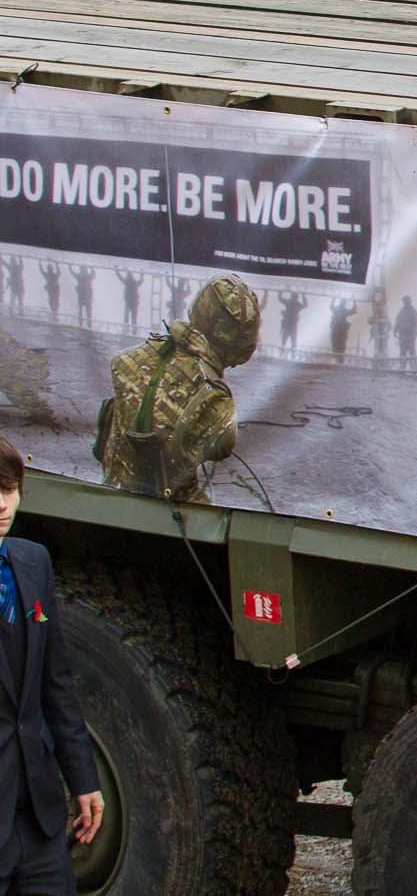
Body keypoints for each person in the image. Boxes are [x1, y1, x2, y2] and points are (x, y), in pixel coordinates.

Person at [0, 436, 106, 895]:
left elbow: (55, 683)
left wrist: (83, 779)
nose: (1, 505)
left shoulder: (32, 561)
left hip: (37, 816)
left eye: (7, 490)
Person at [95, 273, 260, 503]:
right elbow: (222, 448)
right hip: (170, 517)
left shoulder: (129, 359)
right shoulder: (216, 399)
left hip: (109, 499)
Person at [394, 293, 417, 361]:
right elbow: (397, 323)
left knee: (412, 355)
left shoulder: (413, 312)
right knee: (402, 356)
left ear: (410, 302)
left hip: (410, 337)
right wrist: (395, 331)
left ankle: (415, 370)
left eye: (407, 301)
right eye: (404, 301)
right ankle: (402, 370)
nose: (405, 303)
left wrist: (415, 334)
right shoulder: (401, 312)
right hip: (402, 337)